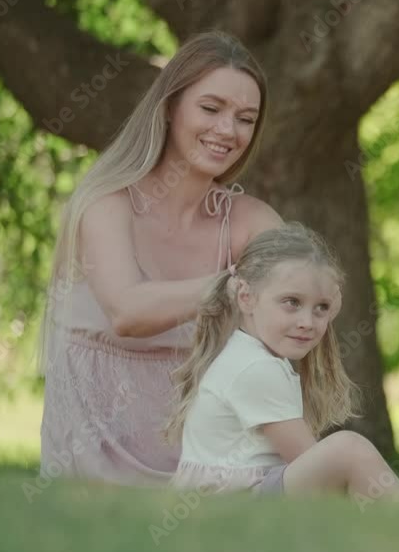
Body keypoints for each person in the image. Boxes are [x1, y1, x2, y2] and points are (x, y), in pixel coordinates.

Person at [38, 31, 284, 485]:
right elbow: (128, 312)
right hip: (98, 456)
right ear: (170, 107)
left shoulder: (251, 222)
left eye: (246, 118)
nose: (227, 131)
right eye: (211, 109)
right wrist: (232, 286)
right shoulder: (107, 203)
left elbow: (299, 310)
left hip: (208, 455)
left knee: (342, 465)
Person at [165, 223, 399, 502]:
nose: (308, 322)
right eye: (291, 302)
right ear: (246, 297)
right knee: (349, 450)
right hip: (230, 511)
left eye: (322, 307)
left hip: (238, 498)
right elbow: (315, 464)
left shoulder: (247, 352)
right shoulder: (256, 368)